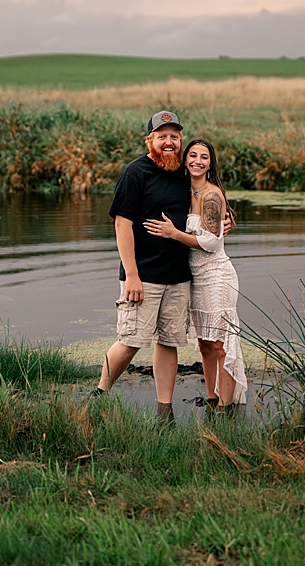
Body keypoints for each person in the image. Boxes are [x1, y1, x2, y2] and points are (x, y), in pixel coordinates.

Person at [95, 111, 193, 417]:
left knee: (169, 342)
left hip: (178, 276)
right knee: (130, 341)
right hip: (143, 276)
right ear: (150, 140)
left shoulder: (185, 173)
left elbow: (205, 206)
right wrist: (132, 275)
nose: (168, 142)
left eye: (174, 136)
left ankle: (165, 409)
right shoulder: (135, 173)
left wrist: (225, 219)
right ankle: (99, 395)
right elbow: (122, 225)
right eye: (161, 136)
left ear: (180, 140)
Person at [145, 138, 249, 410]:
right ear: (184, 158)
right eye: (192, 155)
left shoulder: (212, 195)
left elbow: (213, 243)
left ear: (210, 163)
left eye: (204, 157)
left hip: (217, 277)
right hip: (195, 277)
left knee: (220, 344)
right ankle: (212, 398)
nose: (197, 161)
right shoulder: (183, 189)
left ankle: (225, 408)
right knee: (204, 344)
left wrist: (175, 234)